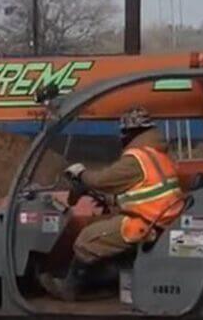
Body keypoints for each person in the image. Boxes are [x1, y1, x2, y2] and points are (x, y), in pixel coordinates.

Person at [39, 106, 185, 302]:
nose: (121, 137)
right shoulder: (156, 155)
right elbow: (143, 193)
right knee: (103, 229)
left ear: (132, 132)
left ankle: (69, 289)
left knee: (87, 240)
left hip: (146, 224)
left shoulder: (137, 159)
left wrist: (81, 173)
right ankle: (103, 281)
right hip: (160, 219)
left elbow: (102, 180)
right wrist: (108, 199)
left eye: (123, 132)